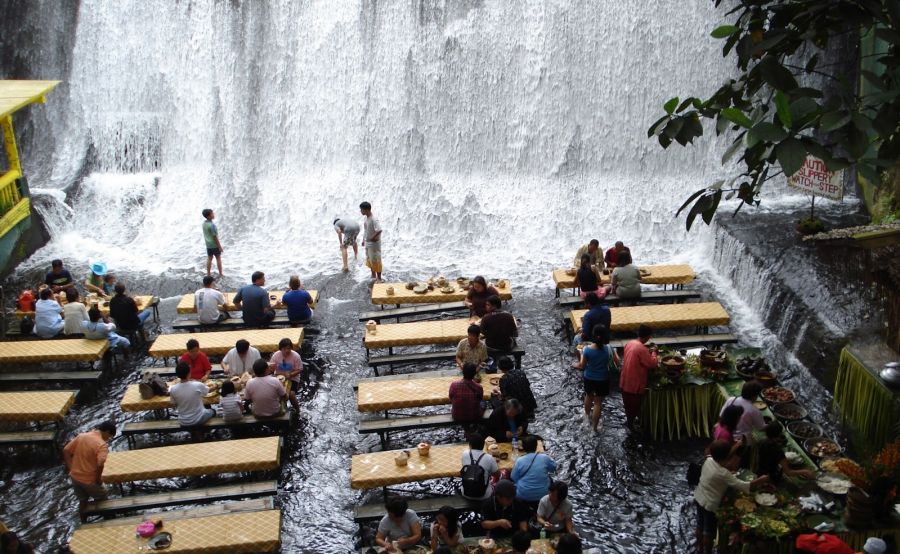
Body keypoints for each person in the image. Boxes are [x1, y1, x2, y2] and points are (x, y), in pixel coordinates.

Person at [694, 440, 769, 554]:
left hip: (699, 496)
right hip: (710, 505)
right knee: (708, 532)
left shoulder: (708, 460)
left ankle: (700, 549)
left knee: (700, 525)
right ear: (726, 456)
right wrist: (761, 480)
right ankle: (707, 551)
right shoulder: (723, 473)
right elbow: (744, 486)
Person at [63, 420, 116, 515]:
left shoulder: (82, 436)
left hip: (75, 477)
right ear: (107, 432)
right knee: (103, 499)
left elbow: (66, 450)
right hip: (89, 479)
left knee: (83, 501)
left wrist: (71, 468)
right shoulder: (101, 445)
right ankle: (106, 519)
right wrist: (98, 479)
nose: (108, 439)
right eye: (110, 436)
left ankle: (83, 520)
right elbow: (100, 464)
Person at [572, 324, 619, 432]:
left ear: (593, 335)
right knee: (598, 403)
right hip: (603, 379)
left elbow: (582, 366)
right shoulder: (609, 348)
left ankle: (587, 416)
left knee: (588, 396)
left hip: (589, 378)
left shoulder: (586, 350)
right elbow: (617, 363)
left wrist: (575, 364)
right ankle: (594, 428)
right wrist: (615, 353)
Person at [619, 324, 659, 430]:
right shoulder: (641, 349)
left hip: (624, 380)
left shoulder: (629, 343)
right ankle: (631, 426)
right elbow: (652, 364)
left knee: (628, 405)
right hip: (634, 384)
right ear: (648, 336)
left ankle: (630, 421)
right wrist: (654, 352)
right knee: (634, 406)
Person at [511, 435, 556, 509]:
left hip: (523, 495)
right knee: (550, 479)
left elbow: (513, 477)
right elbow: (553, 468)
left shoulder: (519, 461)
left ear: (523, 447)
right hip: (543, 494)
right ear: (536, 446)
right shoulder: (544, 458)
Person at [169, 361, 216, 427]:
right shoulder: (197, 385)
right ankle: (201, 431)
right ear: (189, 373)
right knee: (213, 411)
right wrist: (215, 386)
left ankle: (196, 431)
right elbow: (208, 390)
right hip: (199, 418)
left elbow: (174, 403)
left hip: (183, 421)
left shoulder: (173, 389)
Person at [460, 432, 499, 501]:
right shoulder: (489, 458)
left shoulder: (464, 454)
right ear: (483, 445)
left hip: (465, 492)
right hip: (484, 495)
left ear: (470, 445)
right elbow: (497, 474)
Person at [268, 337, 302, 412]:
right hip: (278, 376)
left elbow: (300, 369)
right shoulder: (276, 355)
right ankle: (278, 409)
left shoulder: (296, 356)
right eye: (284, 349)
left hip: (293, 378)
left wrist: (291, 374)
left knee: (291, 394)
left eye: (289, 348)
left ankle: (298, 410)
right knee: (272, 392)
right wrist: (271, 368)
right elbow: (271, 367)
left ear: (291, 348)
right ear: (281, 349)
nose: (287, 350)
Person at [360, 201, 383, 281]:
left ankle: (379, 278)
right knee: (370, 259)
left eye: (361, 209)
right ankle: (373, 275)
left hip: (374, 244)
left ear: (366, 210)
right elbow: (366, 230)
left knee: (376, 260)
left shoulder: (374, 219)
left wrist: (372, 238)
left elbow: (379, 230)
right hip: (368, 243)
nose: (360, 211)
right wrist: (363, 240)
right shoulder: (366, 219)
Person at [202, 208, 224, 277]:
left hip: (208, 245)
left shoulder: (204, 224)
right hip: (214, 245)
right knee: (218, 258)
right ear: (208, 216)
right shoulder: (212, 225)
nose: (213, 214)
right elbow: (215, 237)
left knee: (209, 258)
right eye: (212, 214)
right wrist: (220, 247)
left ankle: (208, 273)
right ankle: (220, 273)